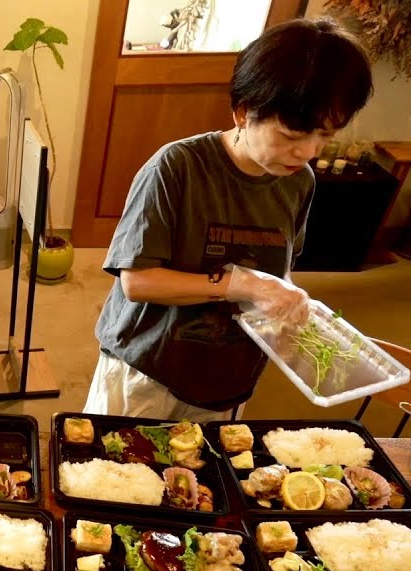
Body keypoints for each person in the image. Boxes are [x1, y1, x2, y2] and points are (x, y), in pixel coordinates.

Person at [85, 18, 373, 421]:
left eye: (325, 136)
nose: (308, 151)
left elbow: (280, 268)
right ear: (243, 112)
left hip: (228, 378)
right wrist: (238, 284)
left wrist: (284, 296)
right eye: (292, 135)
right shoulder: (177, 167)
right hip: (148, 370)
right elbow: (137, 282)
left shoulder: (299, 182)